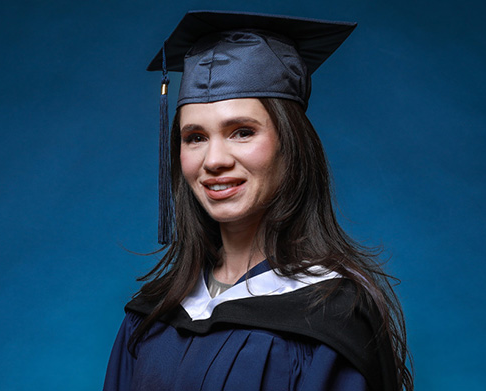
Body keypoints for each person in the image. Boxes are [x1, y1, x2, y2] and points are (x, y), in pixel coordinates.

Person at [104, 10, 412, 391]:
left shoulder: (331, 312)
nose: (214, 160)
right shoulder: (152, 313)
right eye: (195, 137)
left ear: (290, 145)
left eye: (242, 132)